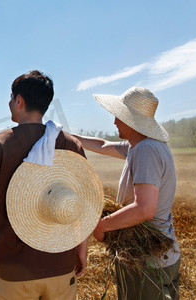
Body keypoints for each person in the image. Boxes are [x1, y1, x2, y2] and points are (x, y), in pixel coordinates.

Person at [0, 70, 88, 299]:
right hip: (60, 262)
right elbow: (81, 205)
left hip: (14, 267)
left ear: (19, 100)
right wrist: (81, 249)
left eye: (10, 98)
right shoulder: (70, 144)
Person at [73, 86, 181, 300]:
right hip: (161, 255)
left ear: (131, 120)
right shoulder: (140, 145)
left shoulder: (146, 150)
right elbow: (102, 145)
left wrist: (101, 225)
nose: (114, 122)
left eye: (118, 117)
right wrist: (66, 135)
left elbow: (144, 209)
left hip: (147, 260)